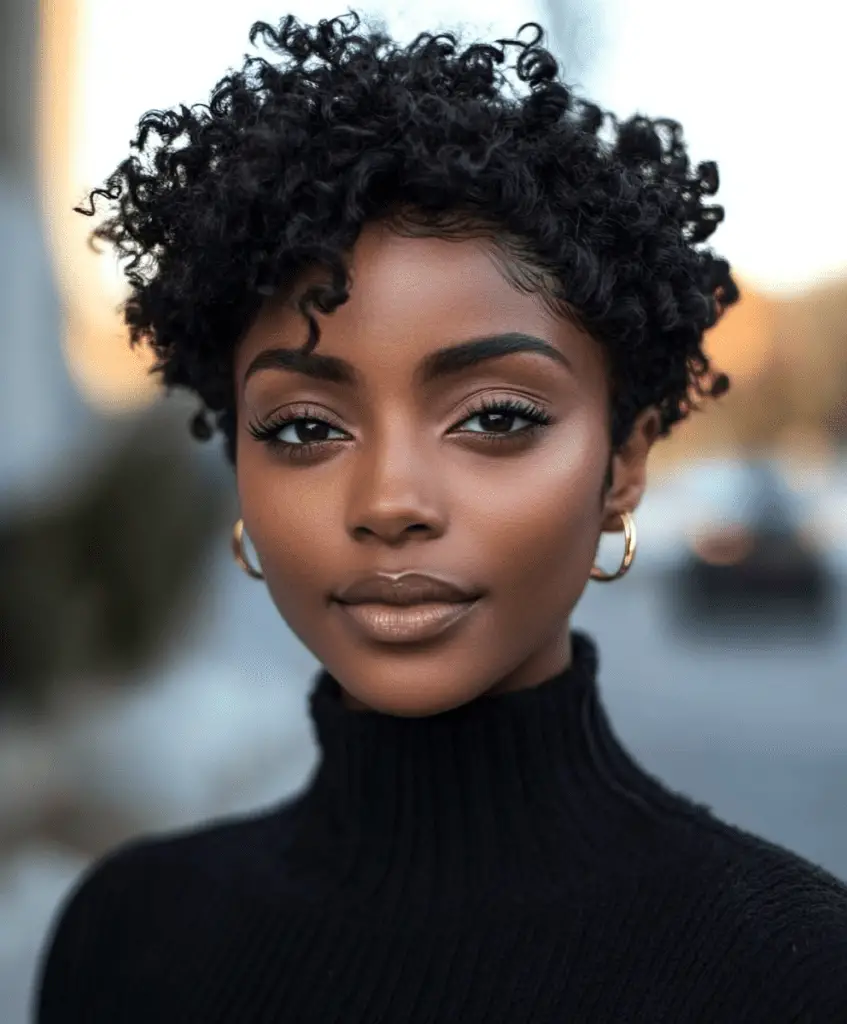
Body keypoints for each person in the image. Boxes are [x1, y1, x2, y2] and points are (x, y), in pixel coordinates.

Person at [35, 12, 847, 1023]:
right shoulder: (126, 935)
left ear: (623, 465)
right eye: (301, 428)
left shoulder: (792, 969)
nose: (389, 503)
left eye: (496, 417)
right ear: (237, 461)